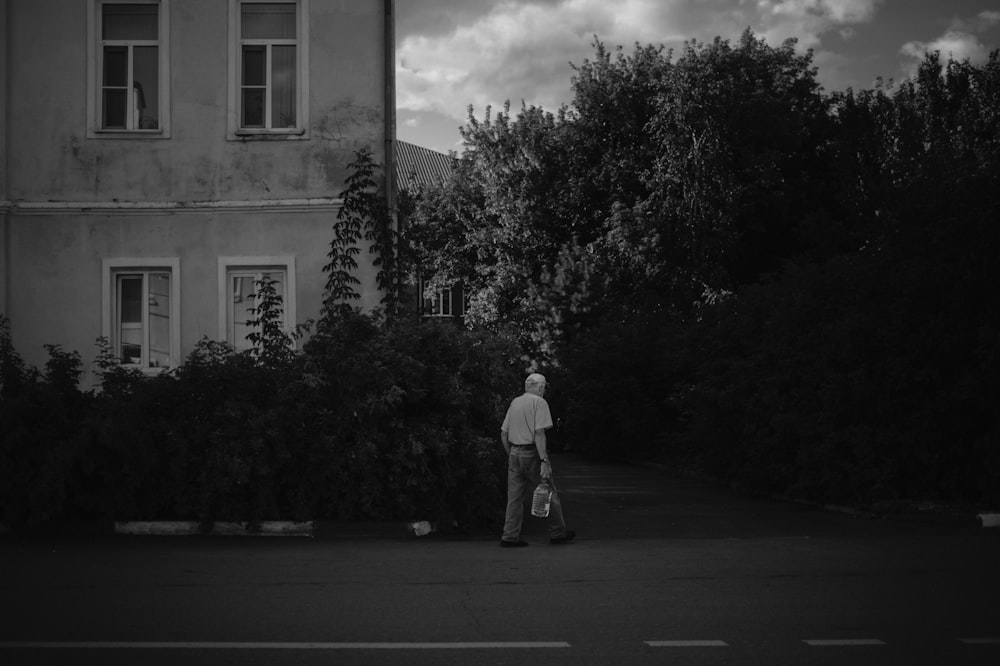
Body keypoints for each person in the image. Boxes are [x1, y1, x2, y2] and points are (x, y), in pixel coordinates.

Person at [499, 373, 575, 547]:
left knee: (514, 499)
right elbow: (539, 433)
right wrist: (544, 460)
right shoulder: (539, 403)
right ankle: (558, 533)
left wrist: (511, 454)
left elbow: (504, 434)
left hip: (514, 454)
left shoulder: (515, 402)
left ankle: (509, 536)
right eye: (544, 387)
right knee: (548, 492)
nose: (545, 390)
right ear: (540, 387)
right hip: (532, 454)